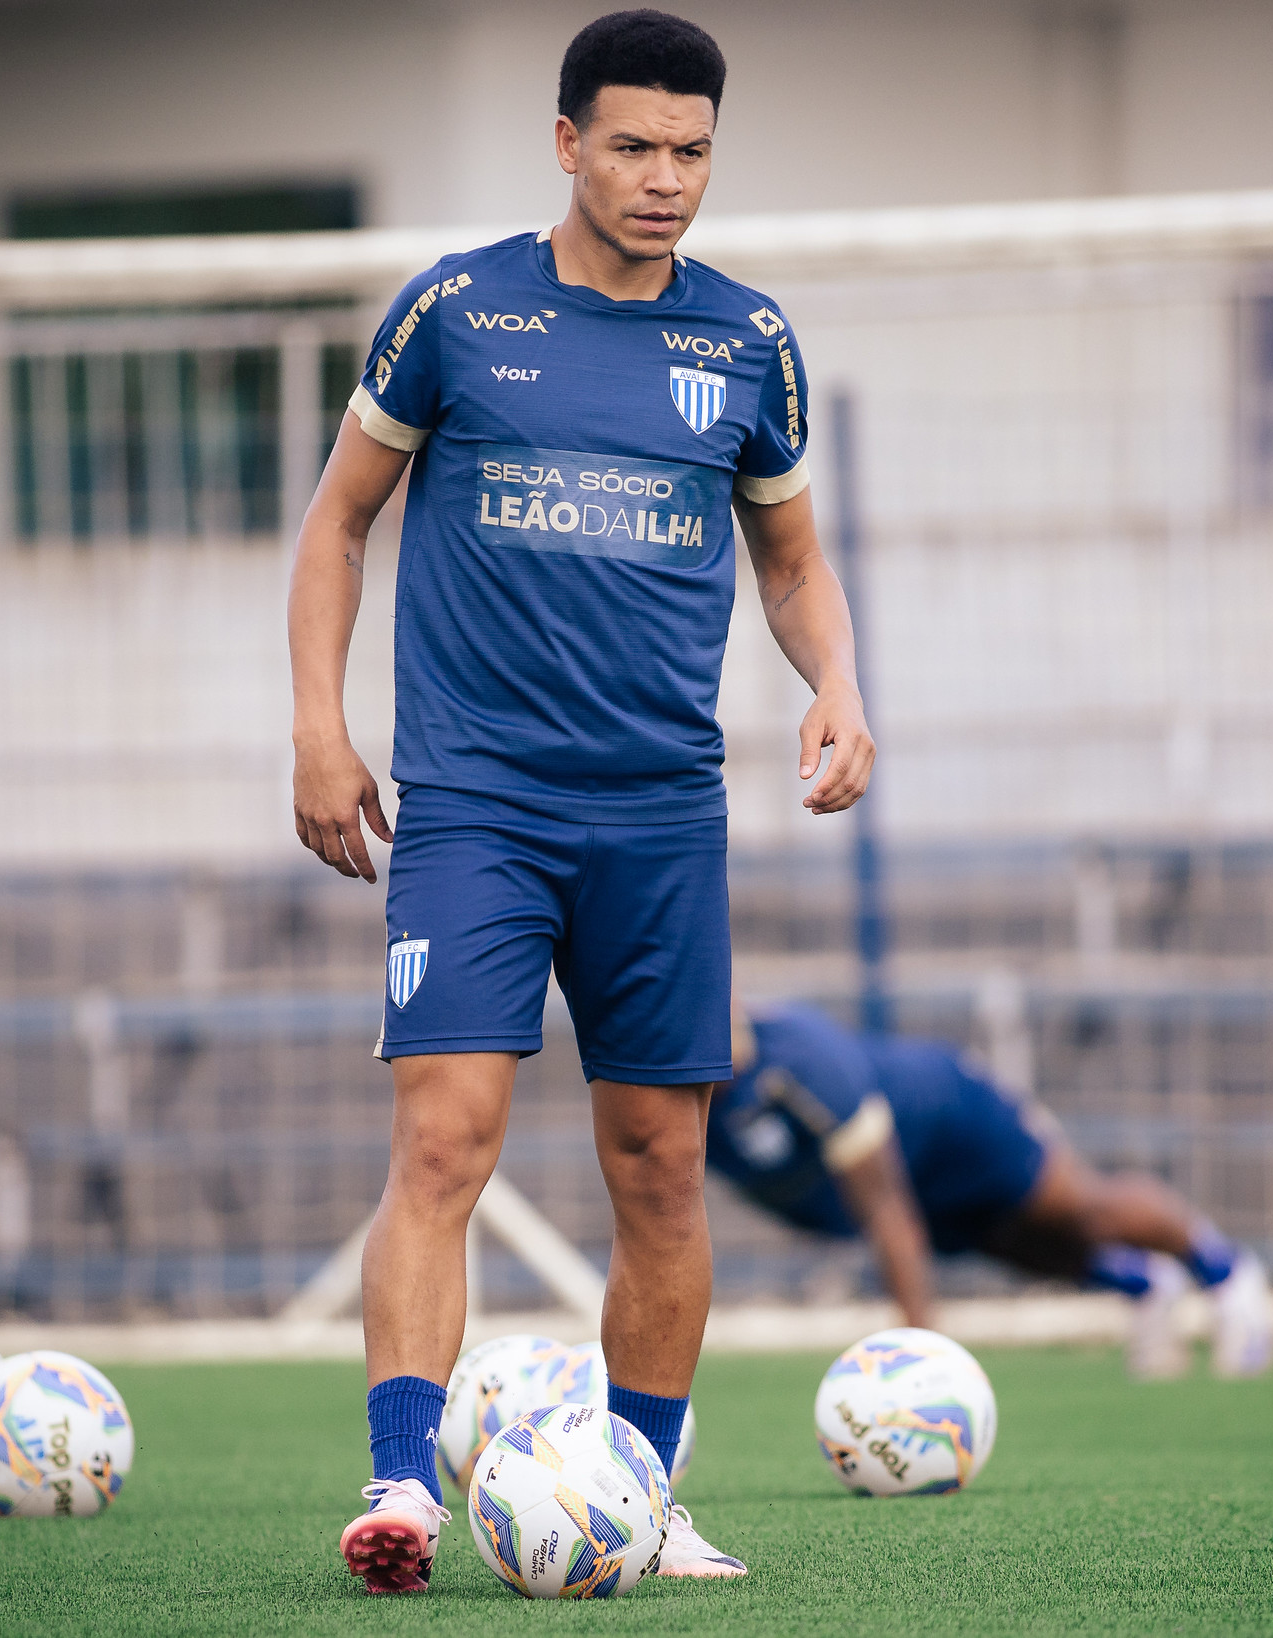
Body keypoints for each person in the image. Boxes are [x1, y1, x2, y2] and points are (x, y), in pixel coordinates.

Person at [287, 11, 875, 1591]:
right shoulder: (455, 310)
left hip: (661, 814)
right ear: (565, 144)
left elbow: (794, 563)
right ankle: (400, 1486)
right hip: (474, 804)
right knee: (443, 1141)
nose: (663, 177)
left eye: (690, 150)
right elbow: (339, 523)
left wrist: (837, 682)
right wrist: (317, 731)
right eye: (631, 145)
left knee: (660, 1167)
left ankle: (644, 1490)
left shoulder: (747, 341)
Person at [711, 1000, 1273, 1378]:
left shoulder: (801, 1060)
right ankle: (1148, 1286)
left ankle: (1227, 1274)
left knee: (1078, 1209)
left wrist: (919, 1366)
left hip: (954, 1119)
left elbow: (887, 1212)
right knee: (1009, 1245)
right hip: (908, 1176)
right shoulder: (671, 1096)